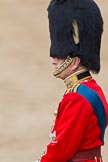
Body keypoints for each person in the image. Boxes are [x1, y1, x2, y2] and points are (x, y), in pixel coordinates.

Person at [36, 0, 108, 161]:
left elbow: (59, 152)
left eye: (58, 56)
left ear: (74, 62)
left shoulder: (76, 97)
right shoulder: (92, 89)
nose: (53, 60)